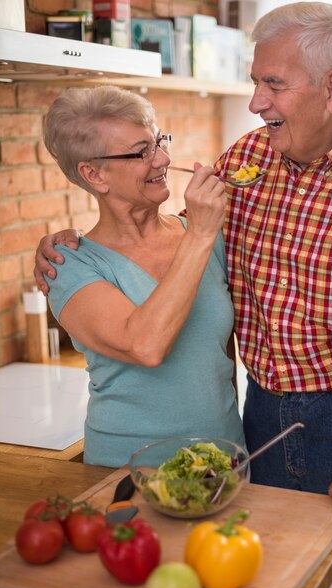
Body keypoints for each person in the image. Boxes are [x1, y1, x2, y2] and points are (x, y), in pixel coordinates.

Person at [34, 4, 332, 588]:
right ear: (92, 174)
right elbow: (149, 326)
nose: (256, 102)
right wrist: (55, 244)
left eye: (273, 85)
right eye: (254, 81)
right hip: (253, 420)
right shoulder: (248, 163)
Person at [35, 84, 245, 469]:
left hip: (225, 461)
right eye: (140, 152)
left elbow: (220, 357)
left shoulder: (203, 236)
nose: (162, 158)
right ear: (94, 174)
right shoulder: (70, 266)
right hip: (129, 472)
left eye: (158, 141)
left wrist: (199, 232)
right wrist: (200, 233)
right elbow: (146, 346)